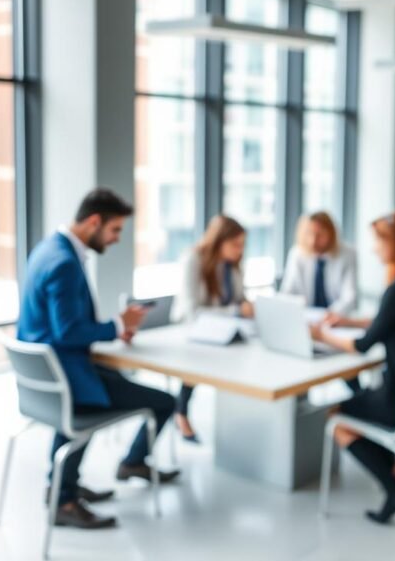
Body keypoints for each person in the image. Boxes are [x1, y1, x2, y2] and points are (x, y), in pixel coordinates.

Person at [17, 188, 180, 530]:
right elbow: (68, 332)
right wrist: (119, 324)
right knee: (165, 401)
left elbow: (62, 325)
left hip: (51, 379)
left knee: (120, 383)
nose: (117, 238)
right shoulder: (64, 263)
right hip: (69, 380)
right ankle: (96, 482)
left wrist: (113, 328)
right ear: (94, 221)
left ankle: (64, 487)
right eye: (115, 229)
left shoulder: (48, 249)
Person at [311, 212, 395, 526]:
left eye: (378, 242)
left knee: (338, 416)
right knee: (359, 397)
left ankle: (393, 487)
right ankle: (394, 472)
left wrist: (321, 334)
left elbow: (361, 346)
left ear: (394, 245)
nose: (374, 250)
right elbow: (388, 322)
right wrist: (348, 321)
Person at [170, 214, 253, 441]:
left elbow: (238, 298)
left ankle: (240, 424)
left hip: (224, 332)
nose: (240, 250)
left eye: (242, 245)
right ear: (219, 241)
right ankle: (181, 412)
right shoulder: (193, 260)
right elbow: (191, 312)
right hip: (193, 332)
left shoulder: (233, 266)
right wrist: (235, 312)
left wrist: (246, 307)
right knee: (196, 363)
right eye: (235, 244)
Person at [280, 211, 358, 318]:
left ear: (331, 234)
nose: (313, 241)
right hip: (306, 317)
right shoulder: (296, 254)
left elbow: (350, 298)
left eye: (320, 235)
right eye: (309, 234)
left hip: (336, 318)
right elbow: (287, 292)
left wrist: (329, 315)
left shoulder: (348, 253)